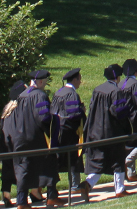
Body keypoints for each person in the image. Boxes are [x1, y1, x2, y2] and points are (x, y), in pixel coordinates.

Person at [5, 71, 58, 209]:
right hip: (36, 137)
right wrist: (54, 121)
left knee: (23, 168)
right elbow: (43, 118)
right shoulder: (40, 95)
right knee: (49, 163)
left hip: (20, 137)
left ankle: (22, 202)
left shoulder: (21, 95)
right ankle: (52, 197)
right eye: (45, 82)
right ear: (40, 82)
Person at [84, 65, 135, 199]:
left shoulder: (97, 90)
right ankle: (120, 189)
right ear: (118, 77)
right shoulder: (116, 91)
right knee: (118, 160)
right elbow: (119, 113)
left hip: (96, 131)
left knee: (100, 162)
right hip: (112, 132)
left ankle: (86, 184)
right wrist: (127, 128)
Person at [0, 81, 40, 208]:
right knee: (23, 169)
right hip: (18, 144)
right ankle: (27, 197)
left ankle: (6, 195)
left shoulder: (6, 110)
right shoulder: (20, 109)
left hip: (6, 144)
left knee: (7, 169)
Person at [51, 69, 87, 201]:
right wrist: (82, 111)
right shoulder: (72, 94)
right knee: (74, 158)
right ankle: (75, 185)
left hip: (57, 131)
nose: (80, 82)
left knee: (56, 160)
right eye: (79, 79)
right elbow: (73, 115)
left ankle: (52, 189)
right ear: (74, 80)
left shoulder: (58, 92)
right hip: (69, 132)